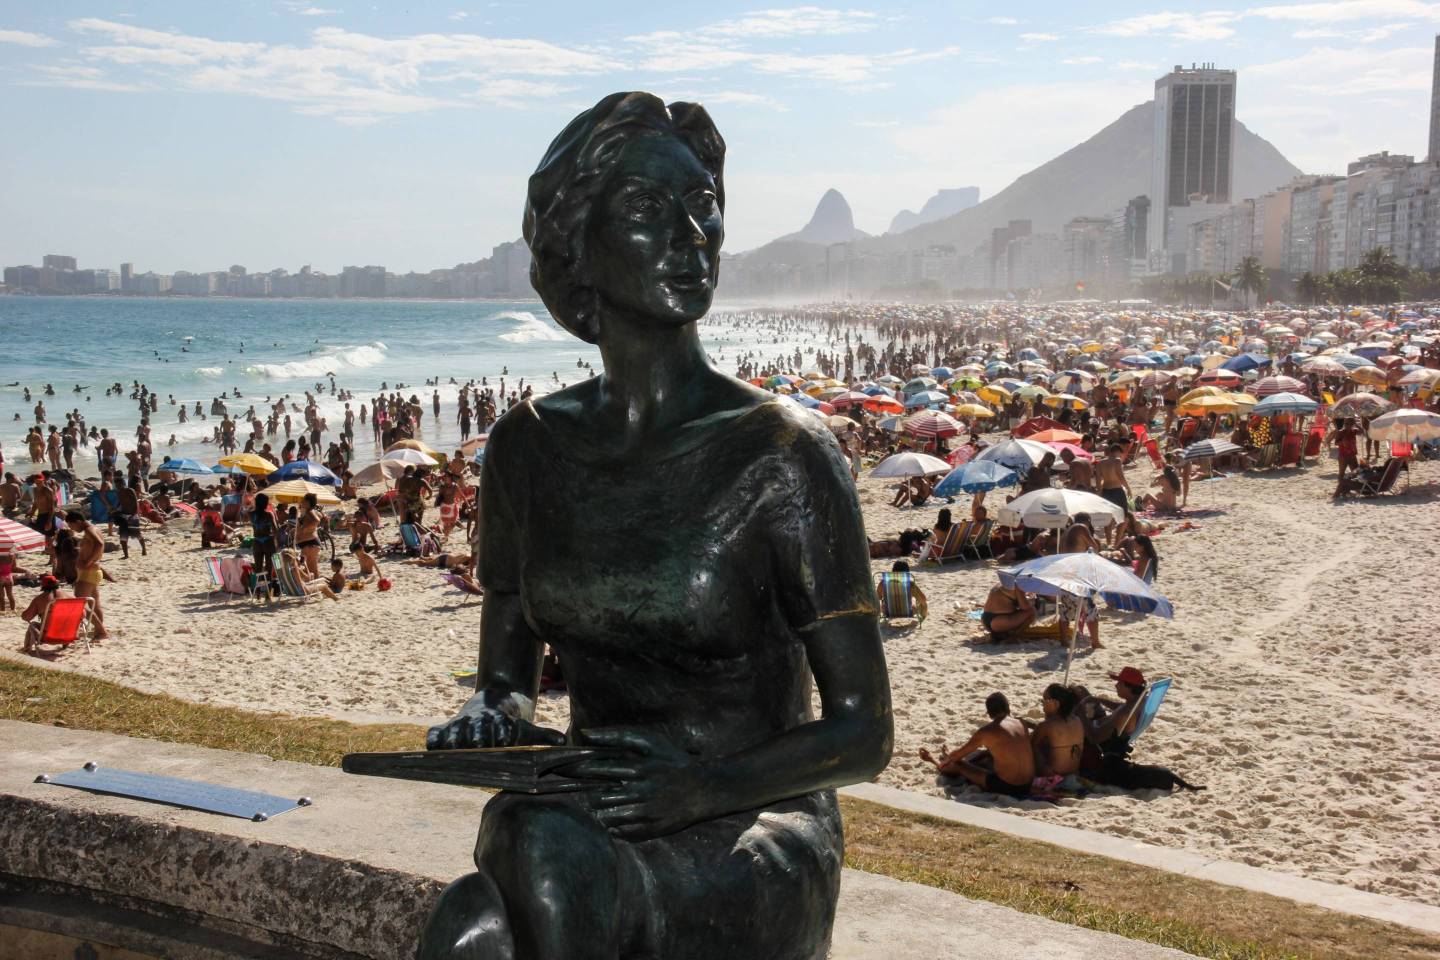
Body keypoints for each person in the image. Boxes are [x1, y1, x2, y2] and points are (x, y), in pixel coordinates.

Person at [420, 93, 891, 960]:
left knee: (527, 862)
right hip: (592, 802)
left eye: (702, 205)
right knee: (468, 931)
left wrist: (702, 787)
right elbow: (506, 677)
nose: (691, 235)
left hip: (752, 821)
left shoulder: (784, 452)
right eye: (647, 208)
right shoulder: (527, 446)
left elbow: (864, 732)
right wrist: (489, 710)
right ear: (576, 245)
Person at [918, 692, 1034, 799]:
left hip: (1007, 787)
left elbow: (956, 757)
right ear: (1008, 707)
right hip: (1028, 784)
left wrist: (945, 757)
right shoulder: (1021, 723)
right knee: (986, 756)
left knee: (959, 764)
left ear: (989, 713)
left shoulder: (987, 731)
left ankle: (933, 761)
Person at [67, 510, 108, 640]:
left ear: (78, 521)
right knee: (94, 604)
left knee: (80, 603)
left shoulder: (89, 530)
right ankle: (98, 632)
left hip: (88, 572)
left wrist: (88, 561)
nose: (72, 529)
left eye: (71, 525)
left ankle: (101, 631)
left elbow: (99, 544)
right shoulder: (93, 529)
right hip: (92, 572)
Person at [1027, 684, 1084, 780]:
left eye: (1045, 700)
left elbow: (1030, 743)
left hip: (1053, 777)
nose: (1042, 703)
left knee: (1030, 747)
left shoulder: (1047, 725)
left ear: (1056, 704)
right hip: (1074, 774)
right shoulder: (1077, 720)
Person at [21, 574, 71, 653]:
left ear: (43, 586)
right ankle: (65, 645)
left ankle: (26, 649)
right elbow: (83, 615)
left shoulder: (40, 599)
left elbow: (26, 617)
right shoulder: (69, 596)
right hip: (68, 635)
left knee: (33, 624)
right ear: (57, 584)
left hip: (48, 637)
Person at [1094, 443, 1131, 515]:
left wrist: (1099, 492)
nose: (1120, 456)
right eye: (1120, 454)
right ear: (1117, 451)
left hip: (1105, 491)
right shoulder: (1117, 460)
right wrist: (1128, 488)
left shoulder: (1099, 463)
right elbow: (1120, 476)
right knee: (1123, 514)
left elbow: (1098, 479)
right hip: (1117, 490)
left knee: (1109, 515)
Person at [251, 492, 278, 583]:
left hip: (257, 542)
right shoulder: (269, 514)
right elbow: (275, 530)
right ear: (265, 503)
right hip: (268, 541)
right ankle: (268, 590)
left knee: (258, 568)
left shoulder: (251, 514)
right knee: (268, 568)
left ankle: (258, 590)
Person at [295, 492, 323, 579]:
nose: (302, 502)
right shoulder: (310, 511)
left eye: (303, 501)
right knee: (312, 568)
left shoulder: (310, 511)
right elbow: (321, 516)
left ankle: (316, 584)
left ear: (308, 502)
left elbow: (316, 520)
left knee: (308, 568)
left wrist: (305, 528)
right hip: (311, 543)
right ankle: (317, 584)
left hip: (309, 544)